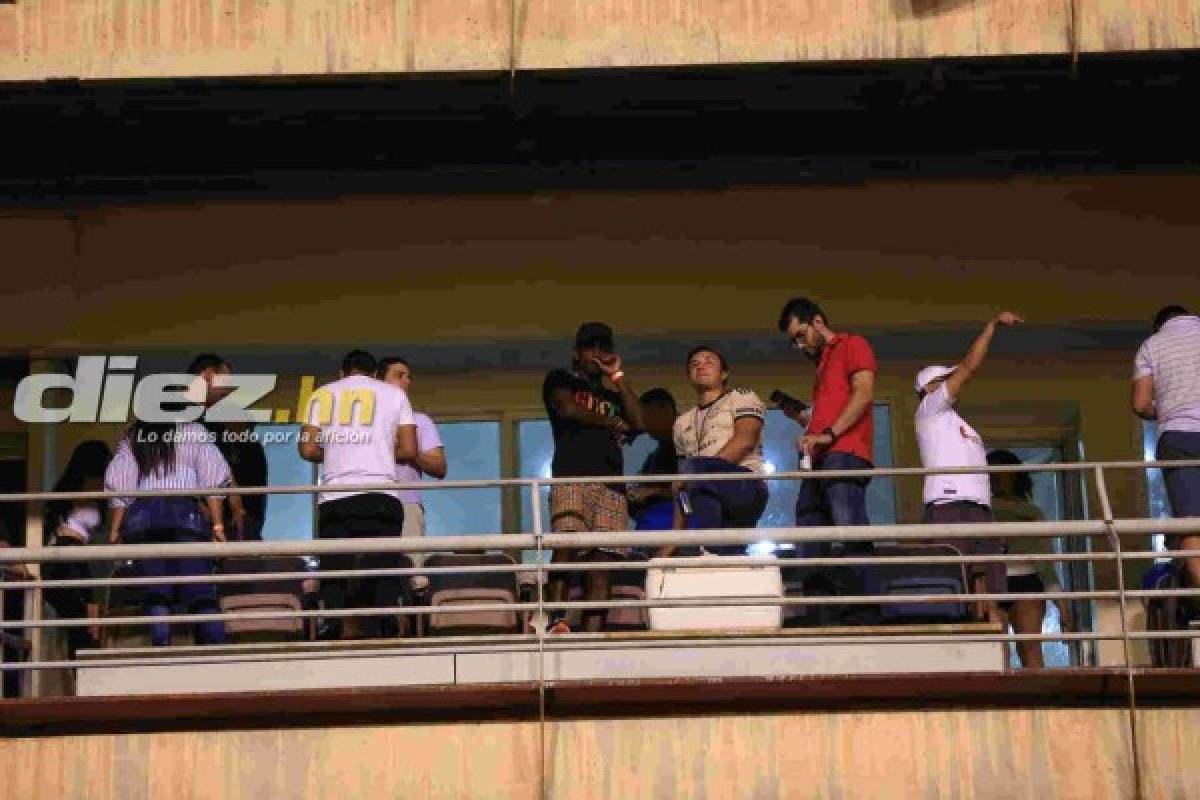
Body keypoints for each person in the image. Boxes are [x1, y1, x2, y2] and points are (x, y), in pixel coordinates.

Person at [298, 349, 417, 639]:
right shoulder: (394, 395)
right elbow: (410, 450)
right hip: (382, 494)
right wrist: (377, 450)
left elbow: (307, 449)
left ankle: (331, 627)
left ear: (342, 373)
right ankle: (388, 628)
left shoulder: (320, 394)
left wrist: (339, 452)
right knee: (384, 567)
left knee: (334, 569)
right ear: (374, 374)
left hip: (336, 497)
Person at [914, 311, 1022, 622]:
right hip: (949, 504)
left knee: (991, 588)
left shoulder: (956, 421)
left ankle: (994, 660)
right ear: (929, 388)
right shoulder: (929, 408)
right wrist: (991, 327)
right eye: (945, 379)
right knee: (957, 586)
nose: (953, 381)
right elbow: (970, 366)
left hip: (978, 508)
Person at [541, 322, 644, 633]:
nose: (597, 354)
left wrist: (618, 377)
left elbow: (639, 423)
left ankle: (592, 634)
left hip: (612, 485)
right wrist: (612, 422)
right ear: (576, 353)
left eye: (603, 348)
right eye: (590, 348)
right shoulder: (560, 379)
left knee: (602, 563)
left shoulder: (613, 394)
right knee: (566, 545)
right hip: (572, 476)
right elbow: (568, 410)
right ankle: (556, 622)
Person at [776, 297, 877, 604]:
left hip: (844, 452)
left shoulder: (852, 344)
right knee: (808, 528)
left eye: (800, 336)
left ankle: (864, 611)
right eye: (793, 341)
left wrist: (828, 434)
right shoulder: (822, 367)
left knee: (849, 527)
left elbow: (863, 395)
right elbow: (826, 415)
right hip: (821, 458)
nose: (799, 346)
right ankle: (818, 610)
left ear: (818, 322)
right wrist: (805, 423)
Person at [105, 419, 232, 647]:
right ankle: (216, 650)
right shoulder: (193, 431)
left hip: (143, 516)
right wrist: (218, 525)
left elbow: (121, 482)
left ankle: (161, 650)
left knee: (157, 591)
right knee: (199, 589)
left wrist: (114, 530)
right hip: (185, 513)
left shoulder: (135, 434)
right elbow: (212, 478)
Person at [669, 346, 768, 556]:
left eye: (708, 362)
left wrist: (699, 471)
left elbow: (745, 440)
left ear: (724, 373)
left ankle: (710, 548)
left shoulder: (741, 396)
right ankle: (714, 553)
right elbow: (680, 485)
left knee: (693, 470)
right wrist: (674, 538)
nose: (700, 366)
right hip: (704, 491)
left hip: (745, 484)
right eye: (694, 364)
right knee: (727, 553)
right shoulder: (681, 422)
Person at [1132, 305, 1200, 591]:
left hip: (1178, 438)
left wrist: (1168, 410)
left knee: (1190, 522)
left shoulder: (1151, 345)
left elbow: (1140, 404)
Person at [989, 449, 1073, 669]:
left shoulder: (1032, 513)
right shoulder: (979, 511)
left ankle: (1040, 701)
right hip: (990, 583)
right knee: (995, 650)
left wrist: (1062, 605)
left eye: (1002, 473)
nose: (996, 479)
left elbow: (1045, 562)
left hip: (1027, 581)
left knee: (1030, 647)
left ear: (1015, 476)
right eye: (991, 474)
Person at [377, 357, 447, 590]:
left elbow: (439, 467)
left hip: (407, 505)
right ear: (378, 379)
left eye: (408, 376)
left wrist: (410, 450)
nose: (407, 381)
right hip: (370, 502)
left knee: (412, 579)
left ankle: (409, 626)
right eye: (399, 375)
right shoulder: (364, 423)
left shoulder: (420, 421)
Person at [43, 440, 111, 657]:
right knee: (85, 624)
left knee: (84, 623)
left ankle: (80, 678)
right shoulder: (92, 485)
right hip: (69, 556)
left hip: (69, 557)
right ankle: (80, 679)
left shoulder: (70, 486)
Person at [190, 354, 268, 541]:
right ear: (208, 375)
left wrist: (243, 513)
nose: (228, 390)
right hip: (201, 518)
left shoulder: (223, 423)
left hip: (239, 519)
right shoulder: (179, 419)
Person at [627, 388, 679, 534]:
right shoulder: (655, 450)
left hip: (676, 525)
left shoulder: (686, 444)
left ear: (666, 410)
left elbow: (693, 490)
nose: (642, 421)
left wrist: (654, 491)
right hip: (649, 524)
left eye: (647, 414)